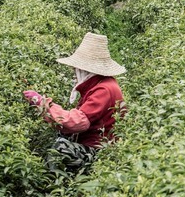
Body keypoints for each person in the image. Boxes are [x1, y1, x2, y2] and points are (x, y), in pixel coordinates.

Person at [22, 32, 126, 174]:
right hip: (97, 146)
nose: (73, 72)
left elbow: (77, 122)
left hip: (100, 153)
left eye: (75, 69)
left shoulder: (104, 89)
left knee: (60, 147)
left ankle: (56, 184)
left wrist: (43, 104)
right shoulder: (100, 84)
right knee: (60, 136)